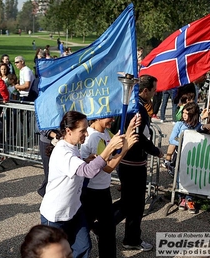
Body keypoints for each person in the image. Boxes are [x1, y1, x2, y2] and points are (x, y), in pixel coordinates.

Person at [40, 111, 138, 258]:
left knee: (83, 246)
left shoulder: (73, 147)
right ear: (68, 131)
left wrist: (85, 159)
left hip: (74, 210)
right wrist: (110, 148)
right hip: (56, 215)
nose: (86, 134)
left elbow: (79, 166)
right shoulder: (62, 151)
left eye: (86, 129)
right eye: (82, 131)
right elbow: (89, 171)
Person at [113, 75, 163, 252]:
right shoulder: (138, 108)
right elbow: (138, 137)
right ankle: (131, 239)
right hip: (132, 162)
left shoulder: (132, 104)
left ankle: (103, 226)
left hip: (126, 160)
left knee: (129, 202)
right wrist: (156, 151)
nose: (155, 92)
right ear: (145, 90)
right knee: (135, 205)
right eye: (153, 89)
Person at [80, 115, 140, 258]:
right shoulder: (93, 137)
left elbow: (121, 139)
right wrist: (125, 149)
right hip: (91, 193)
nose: (113, 120)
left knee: (107, 231)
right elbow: (108, 167)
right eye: (109, 117)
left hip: (103, 190)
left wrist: (131, 126)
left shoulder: (105, 132)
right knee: (81, 232)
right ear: (98, 117)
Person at [165, 102, 200, 213]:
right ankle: (182, 198)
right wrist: (184, 142)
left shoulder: (198, 125)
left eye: (187, 113)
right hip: (180, 154)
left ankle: (190, 199)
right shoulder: (179, 124)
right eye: (183, 113)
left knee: (192, 176)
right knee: (180, 176)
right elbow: (171, 139)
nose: (184, 115)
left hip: (193, 156)